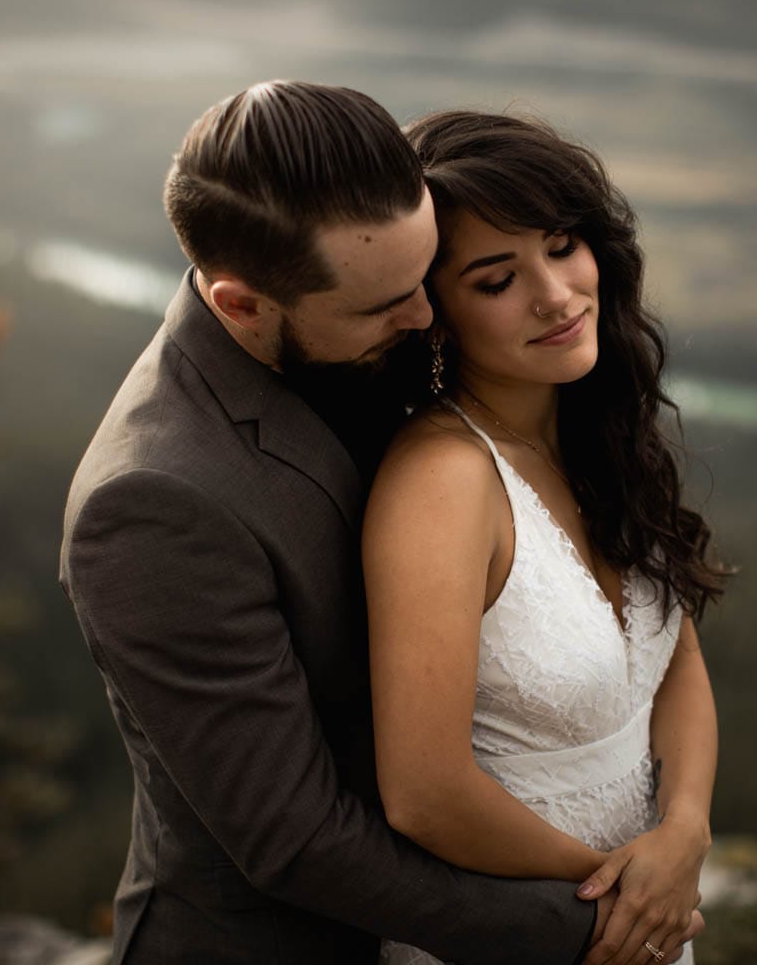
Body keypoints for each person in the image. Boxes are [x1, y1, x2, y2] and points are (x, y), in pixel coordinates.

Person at [60, 81, 616, 964]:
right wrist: (593, 924)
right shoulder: (152, 505)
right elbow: (295, 840)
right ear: (241, 304)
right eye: (382, 305)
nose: (426, 315)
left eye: (426, 271)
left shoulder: (365, 316)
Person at [364, 111, 727, 965]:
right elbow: (424, 795)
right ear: (436, 314)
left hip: (636, 925)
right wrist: (629, 888)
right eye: (497, 280)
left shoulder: (596, 436)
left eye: (562, 245)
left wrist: (684, 832)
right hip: (520, 934)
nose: (557, 296)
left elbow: (673, 665)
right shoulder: (443, 482)